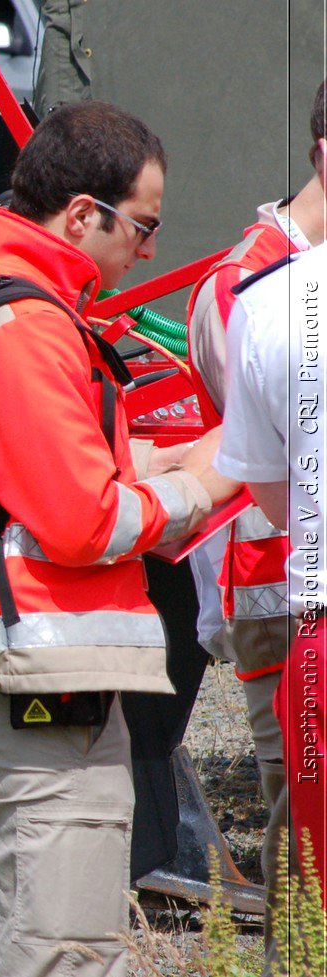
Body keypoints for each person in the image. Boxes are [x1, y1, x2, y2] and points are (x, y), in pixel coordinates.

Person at [0, 101, 241, 977]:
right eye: (142, 226)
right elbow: (81, 519)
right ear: (82, 213)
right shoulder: (22, 326)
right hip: (37, 684)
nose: (146, 251)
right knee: (61, 963)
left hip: (6, 678)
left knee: (6, 950)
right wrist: (200, 484)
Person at [186, 78, 325, 897]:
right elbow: (255, 458)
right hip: (277, 586)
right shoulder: (249, 282)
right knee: (299, 824)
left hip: (294, 571)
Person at [217, 239, 327, 912]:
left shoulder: (264, 298)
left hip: (308, 621)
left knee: (311, 916)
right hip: (281, 612)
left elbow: (270, 492)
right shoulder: (251, 284)